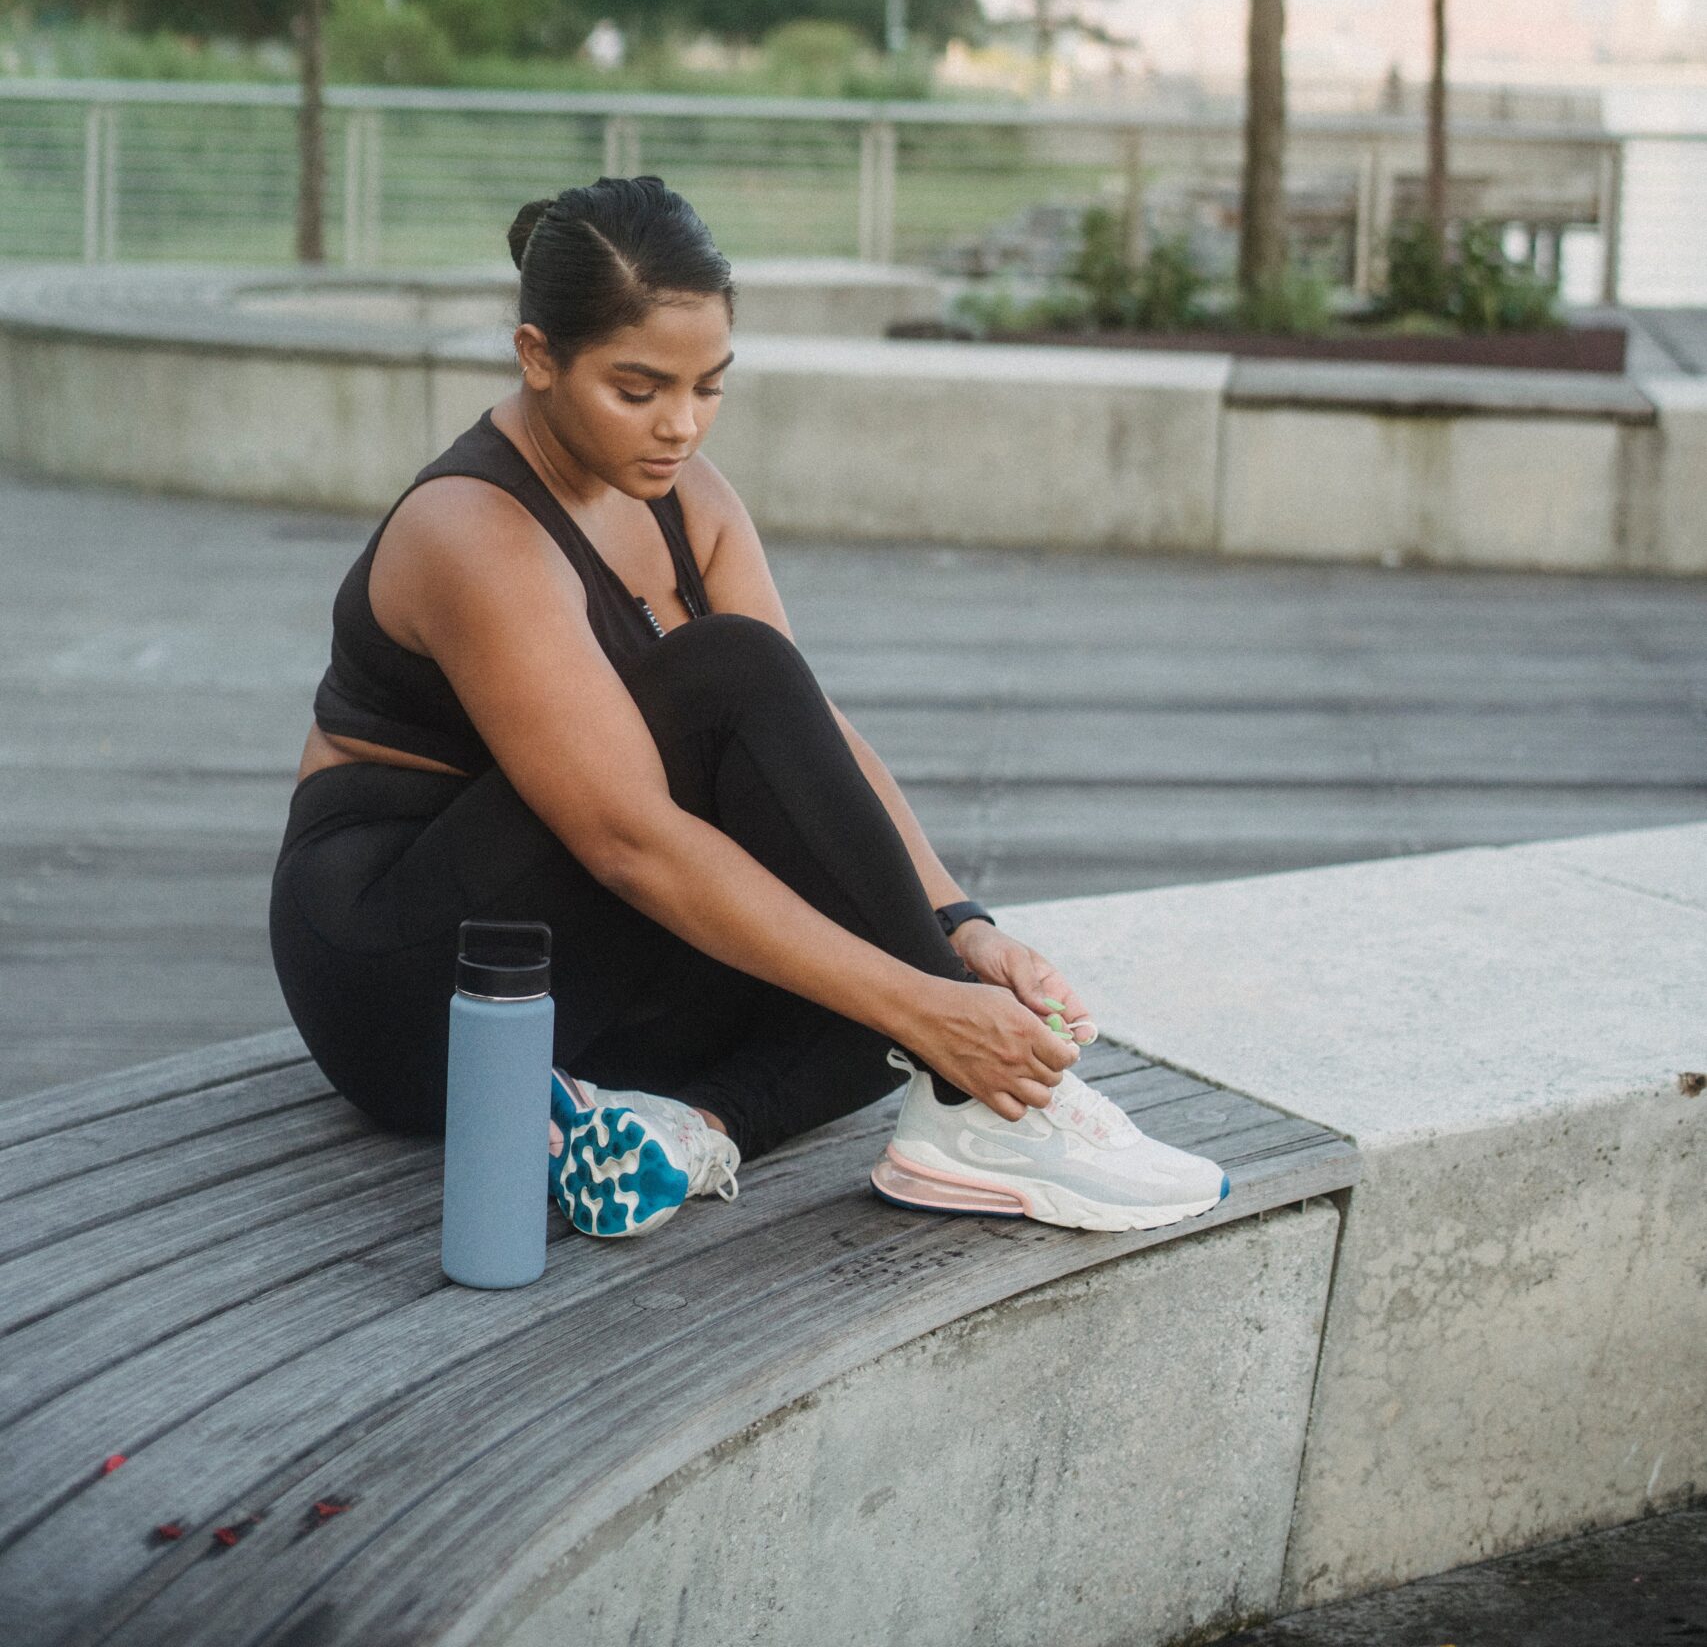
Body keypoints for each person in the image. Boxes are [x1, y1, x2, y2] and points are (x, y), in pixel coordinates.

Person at [270, 177, 1228, 1239]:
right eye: (636, 390)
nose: (680, 426)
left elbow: (807, 742)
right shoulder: (473, 533)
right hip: (408, 980)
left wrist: (958, 931)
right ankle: (981, 1112)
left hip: (572, 952)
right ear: (537, 356)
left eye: (708, 386)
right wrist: (934, 1007)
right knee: (739, 682)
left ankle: (692, 1129)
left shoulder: (693, 498)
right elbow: (629, 836)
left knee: (863, 962)